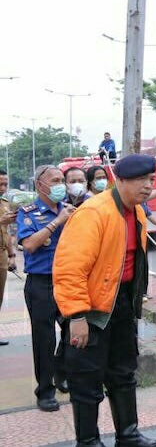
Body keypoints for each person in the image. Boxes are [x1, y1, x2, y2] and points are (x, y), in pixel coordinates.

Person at [53, 154, 156, 447]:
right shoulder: (94, 212)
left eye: (151, 180)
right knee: (86, 379)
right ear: (121, 181)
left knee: (123, 372)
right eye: (140, 180)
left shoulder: (136, 211)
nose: (147, 186)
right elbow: (69, 269)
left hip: (122, 304)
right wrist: (77, 316)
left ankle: (128, 435)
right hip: (91, 310)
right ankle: (88, 441)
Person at [17, 165, 74, 411]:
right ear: (40, 185)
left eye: (62, 180)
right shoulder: (28, 213)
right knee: (44, 339)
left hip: (68, 280)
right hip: (41, 283)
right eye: (55, 180)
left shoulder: (70, 210)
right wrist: (57, 222)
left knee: (74, 331)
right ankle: (45, 391)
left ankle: (61, 371)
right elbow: (30, 245)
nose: (62, 185)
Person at [0, 169, 17, 346]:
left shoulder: (5, 203)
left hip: (2, 255)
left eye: (5, 184)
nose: (3, 188)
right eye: (0, 184)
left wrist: (12, 255)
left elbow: (7, 232)